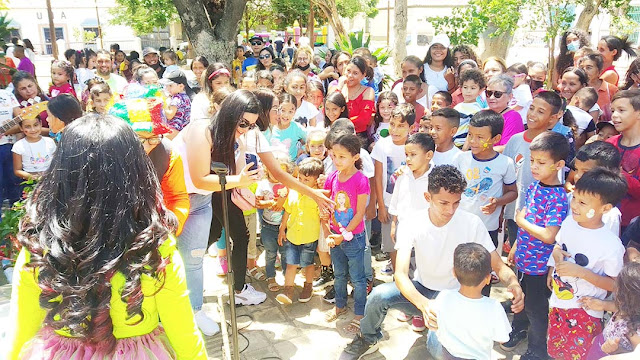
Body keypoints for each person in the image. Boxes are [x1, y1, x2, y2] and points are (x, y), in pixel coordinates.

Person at [6, 115, 207, 359]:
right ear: (135, 173)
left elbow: (20, 330)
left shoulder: (39, 246)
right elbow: (183, 331)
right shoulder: (153, 245)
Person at [174, 90, 331, 323]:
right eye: (243, 123)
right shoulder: (202, 129)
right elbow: (199, 178)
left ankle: (194, 310)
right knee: (188, 255)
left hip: (205, 197)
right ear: (228, 113)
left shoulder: (243, 135)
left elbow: (277, 172)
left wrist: (314, 194)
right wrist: (241, 181)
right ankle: (188, 309)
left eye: (251, 124)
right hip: (180, 198)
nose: (246, 129)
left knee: (195, 255)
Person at [340, 165, 524, 359]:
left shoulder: (472, 222)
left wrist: (513, 284)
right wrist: (424, 305)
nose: (451, 209)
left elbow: (498, 265)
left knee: (436, 344)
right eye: (443, 203)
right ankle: (368, 339)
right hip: (423, 289)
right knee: (378, 295)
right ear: (428, 197)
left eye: (456, 203)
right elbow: (401, 274)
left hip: (457, 296)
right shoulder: (412, 222)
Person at [546, 168, 626, 359]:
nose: (574, 205)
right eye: (574, 198)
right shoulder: (568, 223)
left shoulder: (611, 244)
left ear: (605, 208)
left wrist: (581, 273)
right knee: (557, 352)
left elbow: (616, 285)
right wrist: (555, 262)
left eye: (582, 202)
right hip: (558, 303)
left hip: (585, 311)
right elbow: (558, 246)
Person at [505, 131, 571, 360]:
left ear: (559, 164)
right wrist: (515, 247)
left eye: (541, 162)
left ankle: (538, 348)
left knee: (536, 309)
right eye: (532, 161)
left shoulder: (558, 196)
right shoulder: (536, 186)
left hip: (539, 266)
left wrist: (521, 221)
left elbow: (549, 236)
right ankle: (519, 329)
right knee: (520, 298)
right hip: (524, 257)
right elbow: (528, 225)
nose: (534, 166)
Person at [503, 92, 566, 250]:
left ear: (552, 118)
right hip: (514, 212)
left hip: (540, 220)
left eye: (540, 111)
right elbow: (506, 176)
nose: (532, 114)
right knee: (516, 257)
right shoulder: (515, 140)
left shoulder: (555, 145)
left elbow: (556, 183)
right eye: (531, 108)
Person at [322, 133, 370, 335]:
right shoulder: (332, 177)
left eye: (342, 156)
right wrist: (327, 231)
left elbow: (360, 213)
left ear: (355, 157)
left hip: (354, 237)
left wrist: (345, 234)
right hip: (335, 236)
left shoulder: (361, 180)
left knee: (358, 278)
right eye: (334, 156)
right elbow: (325, 206)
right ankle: (340, 305)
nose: (336, 160)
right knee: (339, 274)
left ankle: (360, 312)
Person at [431, 243, 512, 360]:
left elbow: (436, 326)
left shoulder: (444, 296)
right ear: (488, 278)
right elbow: (502, 338)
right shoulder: (494, 307)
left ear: (454, 272)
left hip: (448, 355)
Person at [454, 110, 518, 246]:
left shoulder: (505, 163)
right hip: (460, 224)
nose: (473, 141)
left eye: (480, 137)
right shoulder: (460, 158)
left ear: (496, 139)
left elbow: (513, 192)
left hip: (487, 228)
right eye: (470, 135)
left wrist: (498, 202)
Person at [372, 104, 414, 274]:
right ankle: (399, 280)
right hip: (389, 203)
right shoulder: (382, 145)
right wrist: (380, 206)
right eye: (392, 124)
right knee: (392, 245)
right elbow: (378, 177)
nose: (395, 130)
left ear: (411, 127)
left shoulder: (415, 145)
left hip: (411, 205)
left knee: (412, 245)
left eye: (401, 126)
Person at [276, 157, 324, 304]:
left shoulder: (318, 196)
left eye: (306, 180)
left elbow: (323, 218)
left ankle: (308, 286)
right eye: (299, 178)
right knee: (291, 264)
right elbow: (287, 211)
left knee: (307, 264)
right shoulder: (293, 192)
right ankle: (288, 290)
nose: (301, 182)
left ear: (316, 180)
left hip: (309, 237)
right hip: (292, 236)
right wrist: (282, 229)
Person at [581, 262, 640, 359]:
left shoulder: (633, 329)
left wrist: (617, 350)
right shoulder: (626, 308)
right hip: (598, 348)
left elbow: (636, 355)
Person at [256, 151, 293, 292]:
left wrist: (283, 202)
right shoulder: (263, 184)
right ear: (267, 169)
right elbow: (258, 203)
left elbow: (292, 202)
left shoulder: (288, 185)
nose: (277, 175)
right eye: (274, 171)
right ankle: (270, 276)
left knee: (285, 252)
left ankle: (286, 276)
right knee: (270, 253)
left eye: (281, 172)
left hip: (284, 226)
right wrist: (271, 203)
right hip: (268, 226)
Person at [606, 89, 640, 233]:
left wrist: (619, 175)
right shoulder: (609, 144)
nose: (614, 115)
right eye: (613, 110)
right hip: (605, 221)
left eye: (621, 110)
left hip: (633, 228)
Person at [340, 57, 375, 146]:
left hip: (358, 137)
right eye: (348, 71)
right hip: (337, 134)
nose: (350, 75)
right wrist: (339, 88)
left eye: (355, 73)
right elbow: (328, 111)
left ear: (363, 76)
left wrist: (341, 123)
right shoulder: (338, 88)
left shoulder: (368, 91)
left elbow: (364, 119)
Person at [12, 115, 56, 182]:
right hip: (31, 181)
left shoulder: (50, 141)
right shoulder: (18, 146)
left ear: (41, 123)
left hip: (50, 179)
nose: (33, 130)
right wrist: (33, 177)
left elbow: (56, 162)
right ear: (21, 128)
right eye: (27, 127)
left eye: (35, 125)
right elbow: (17, 170)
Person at [487, 74, 525, 151]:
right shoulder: (483, 112)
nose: (491, 97)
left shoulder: (513, 117)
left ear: (510, 97)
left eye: (497, 94)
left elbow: (507, 147)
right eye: (489, 93)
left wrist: (482, 152)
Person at [578, 53, 618, 123]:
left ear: (600, 70)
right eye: (582, 68)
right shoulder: (577, 88)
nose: (584, 71)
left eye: (589, 67)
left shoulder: (611, 90)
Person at [265, 93, 306, 161]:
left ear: (295, 111)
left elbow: (310, 139)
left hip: (290, 165)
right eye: (283, 110)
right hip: (270, 165)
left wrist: (302, 149)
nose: (286, 115)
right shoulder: (269, 127)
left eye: (290, 111)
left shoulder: (296, 128)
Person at [0, 88, 21, 216]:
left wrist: (8, 128)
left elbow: (21, 121)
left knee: (14, 184)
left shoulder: (7, 95)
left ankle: (16, 221)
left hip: (8, 147)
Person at [453, 68, 485, 148]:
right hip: (453, 145)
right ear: (460, 88)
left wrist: (465, 149)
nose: (468, 91)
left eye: (473, 88)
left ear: (480, 90)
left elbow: (472, 131)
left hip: (465, 147)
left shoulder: (477, 110)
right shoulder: (457, 107)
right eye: (465, 87)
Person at [160, 68, 193, 140]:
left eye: (170, 86)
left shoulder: (177, 98)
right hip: (184, 131)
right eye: (167, 86)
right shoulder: (186, 97)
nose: (167, 88)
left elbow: (169, 115)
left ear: (181, 86)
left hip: (175, 130)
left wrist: (163, 102)